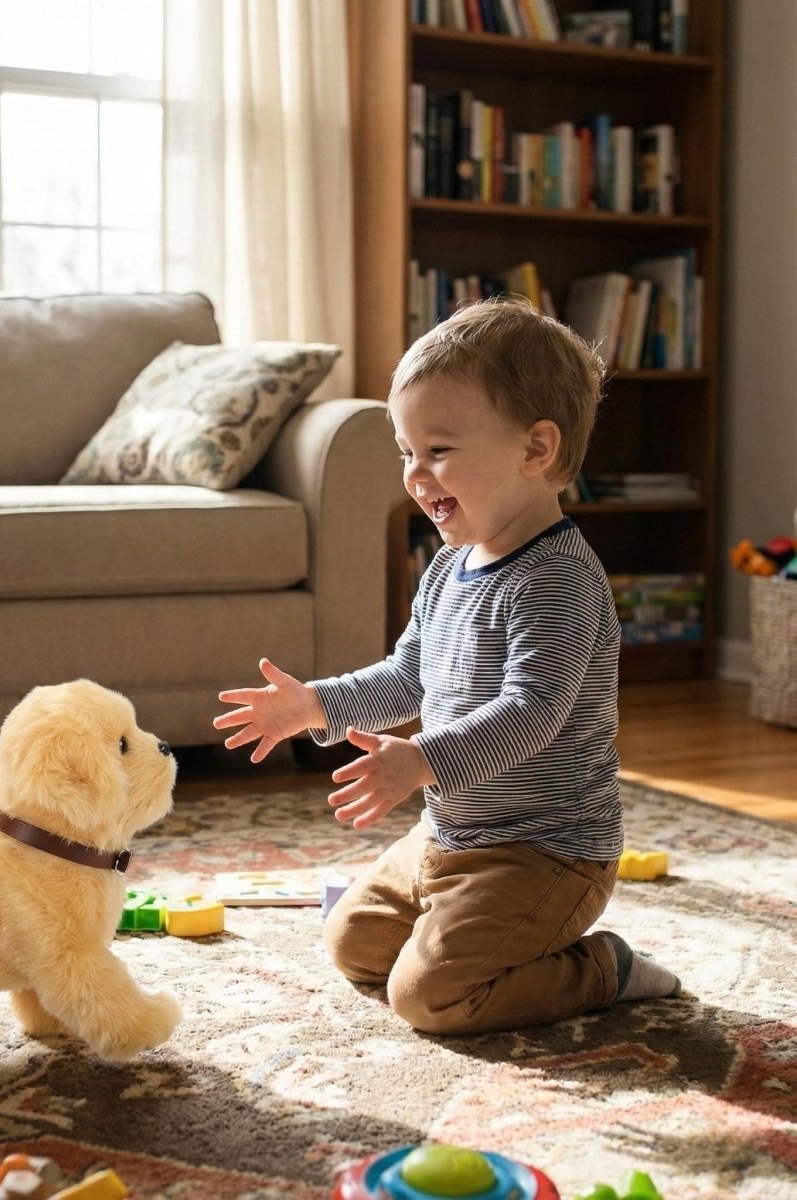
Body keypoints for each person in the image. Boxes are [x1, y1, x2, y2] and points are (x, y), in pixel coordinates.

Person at [213, 297, 680, 1035]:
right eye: (406, 452)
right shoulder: (449, 568)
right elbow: (408, 677)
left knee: (431, 998)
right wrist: (316, 707)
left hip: (547, 852)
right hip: (454, 835)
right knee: (354, 946)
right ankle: (470, 929)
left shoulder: (556, 579)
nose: (415, 474)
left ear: (535, 451)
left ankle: (602, 968)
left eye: (438, 450)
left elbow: (531, 714)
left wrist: (421, 760)